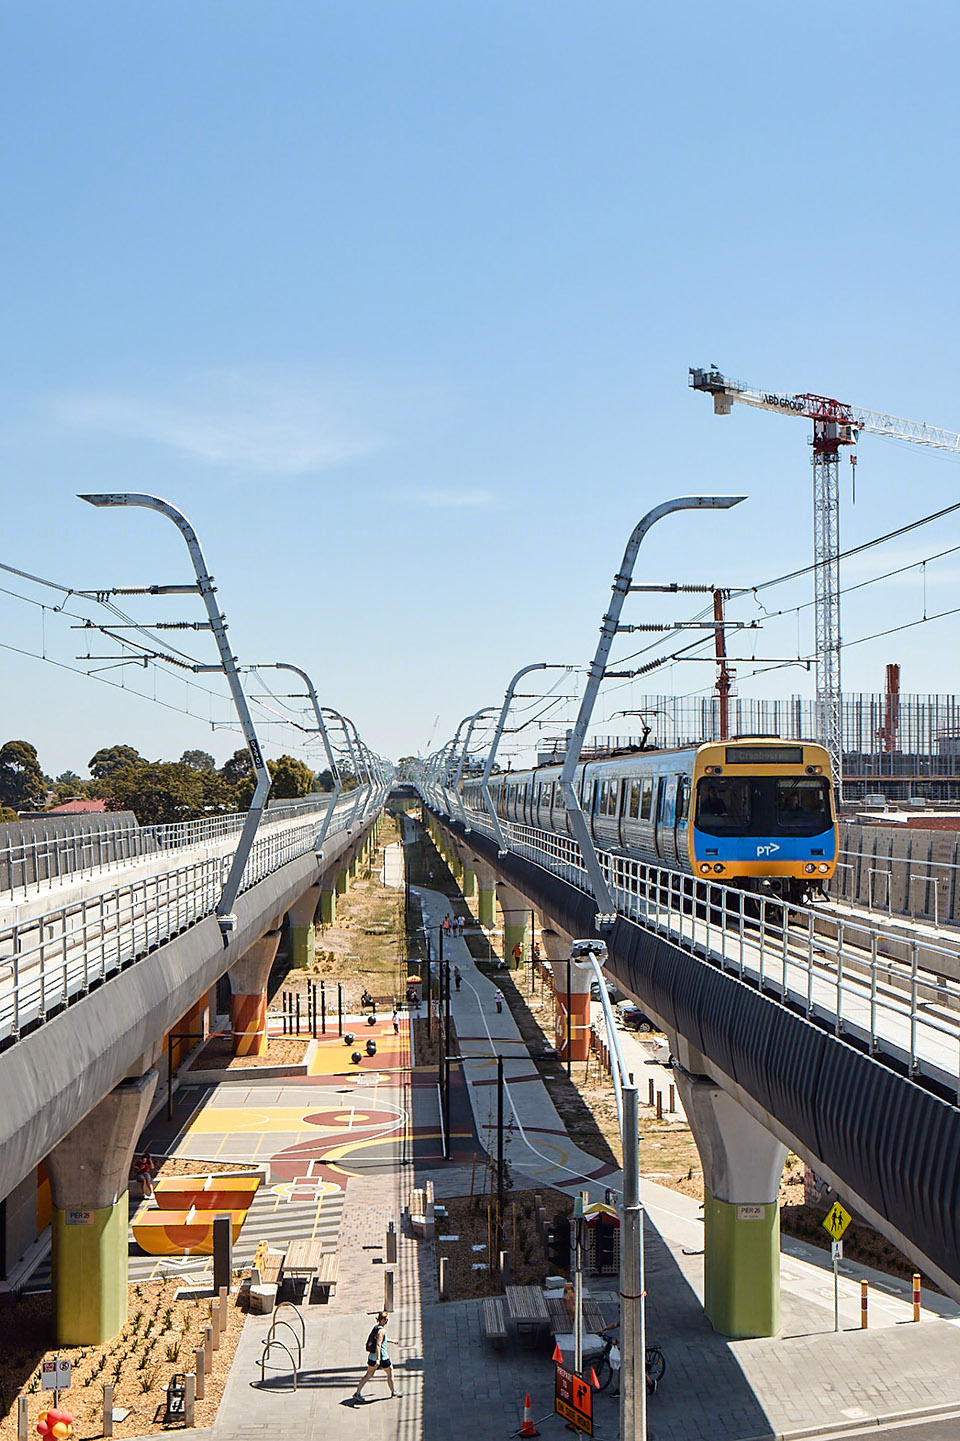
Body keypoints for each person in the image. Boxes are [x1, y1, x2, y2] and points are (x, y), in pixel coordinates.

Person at [352, 1311, 400, 1402]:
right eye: (386, 1319)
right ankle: (393, 1392)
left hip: (372, 1357)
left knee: (368, 1375)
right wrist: (378, 1359)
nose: (387, 1320)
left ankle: (357, 1393)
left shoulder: (376, 1328)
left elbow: (381, 1340)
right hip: (382, 1357)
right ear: (382, 1320)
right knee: (390, 1372)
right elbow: (378, 1344)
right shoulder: (382, 1331)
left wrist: (392, 1341)